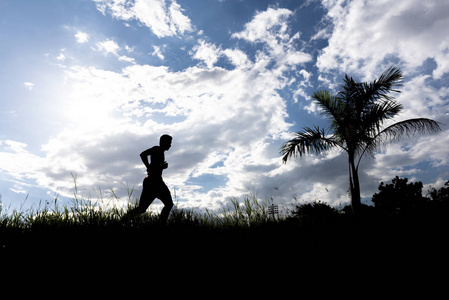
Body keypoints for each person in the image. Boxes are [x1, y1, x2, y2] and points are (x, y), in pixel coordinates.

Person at [125, 134, 174, 223]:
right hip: (153, 181)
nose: (170, 145)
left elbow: (155, 166)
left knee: (167, 204)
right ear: (164, 142)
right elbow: (143, 154)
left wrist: (161, 166)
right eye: (169, 143)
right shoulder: (156, 149)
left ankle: (123, 220)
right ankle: (123, 220)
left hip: (155, 181)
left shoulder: (160, 151)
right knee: (167, 204)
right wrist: (148, 166)